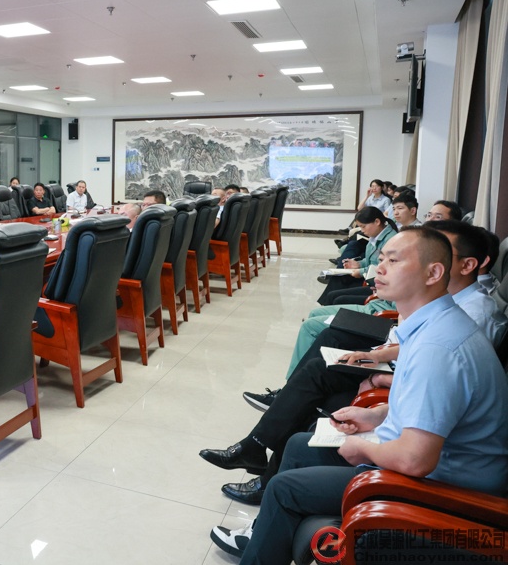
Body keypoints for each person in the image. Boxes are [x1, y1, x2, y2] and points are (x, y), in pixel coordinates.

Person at [210, 227, 508, 562]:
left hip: (445, 487)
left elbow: (415, 460)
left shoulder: (438, 348)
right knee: (299, 444)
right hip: (428, 462)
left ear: (433, 273)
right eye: (382, 259)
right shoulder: (433, 324)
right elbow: (436, 406)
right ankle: (263, 535)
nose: (380, 268)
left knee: (284, 489)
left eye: (393, 261)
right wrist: (375, 415)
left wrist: (363, 447)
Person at [316, 207, 396, 305]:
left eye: (363, 227)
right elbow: (371, 260)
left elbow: (384, 267)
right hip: (370, 275)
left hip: (377, 281)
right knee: (338, 279)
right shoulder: (375, 236)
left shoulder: (390, 240)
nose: (362, 230)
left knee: (337, 296)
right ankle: (325, 307)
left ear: (377, 222)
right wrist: (358, 264)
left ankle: (326, 308)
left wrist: (361, 271)